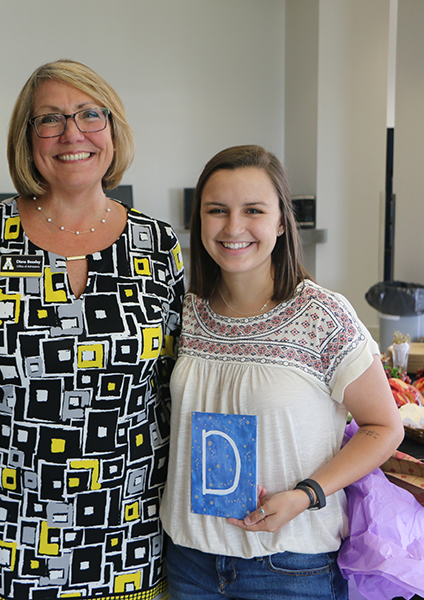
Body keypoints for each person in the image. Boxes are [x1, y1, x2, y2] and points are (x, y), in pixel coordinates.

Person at [0, 60, 185, 600]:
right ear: (27, 137)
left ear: (113, 130)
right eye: (51, 119)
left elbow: (186, 379)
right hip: (12, 531)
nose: (72, 133)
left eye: (90, 114)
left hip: (132, 534)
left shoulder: (158, 246)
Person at [160, 145, 404, 600]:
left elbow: (384, 426)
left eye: (253, 210)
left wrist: (307, 494)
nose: (233, 227)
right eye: (217, 211)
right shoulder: (185, 312)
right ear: (198, 222)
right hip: (189, 560)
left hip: (287, 566)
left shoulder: (322, 314)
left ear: (280, 221)